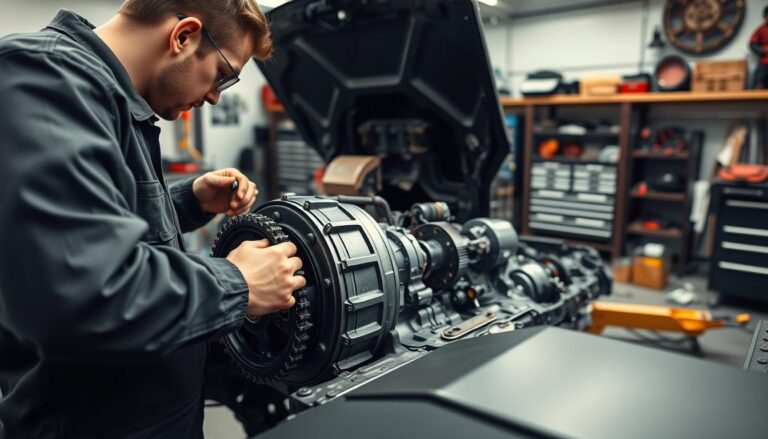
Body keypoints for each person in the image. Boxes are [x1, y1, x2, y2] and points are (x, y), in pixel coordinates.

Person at [0, 1, 306, 437]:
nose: (215, 96)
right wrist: (239, 283)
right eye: (222, 75)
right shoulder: (45, 80)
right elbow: (84, 291)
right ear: (184, 36)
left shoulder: (112, 99)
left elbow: (100, 224)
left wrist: (188, 201)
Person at [749, 5, 768, 89]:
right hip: (765, 62)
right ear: (764, 16)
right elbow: (752, 44)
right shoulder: (761, 29)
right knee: (758, 83)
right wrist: (763, 50)